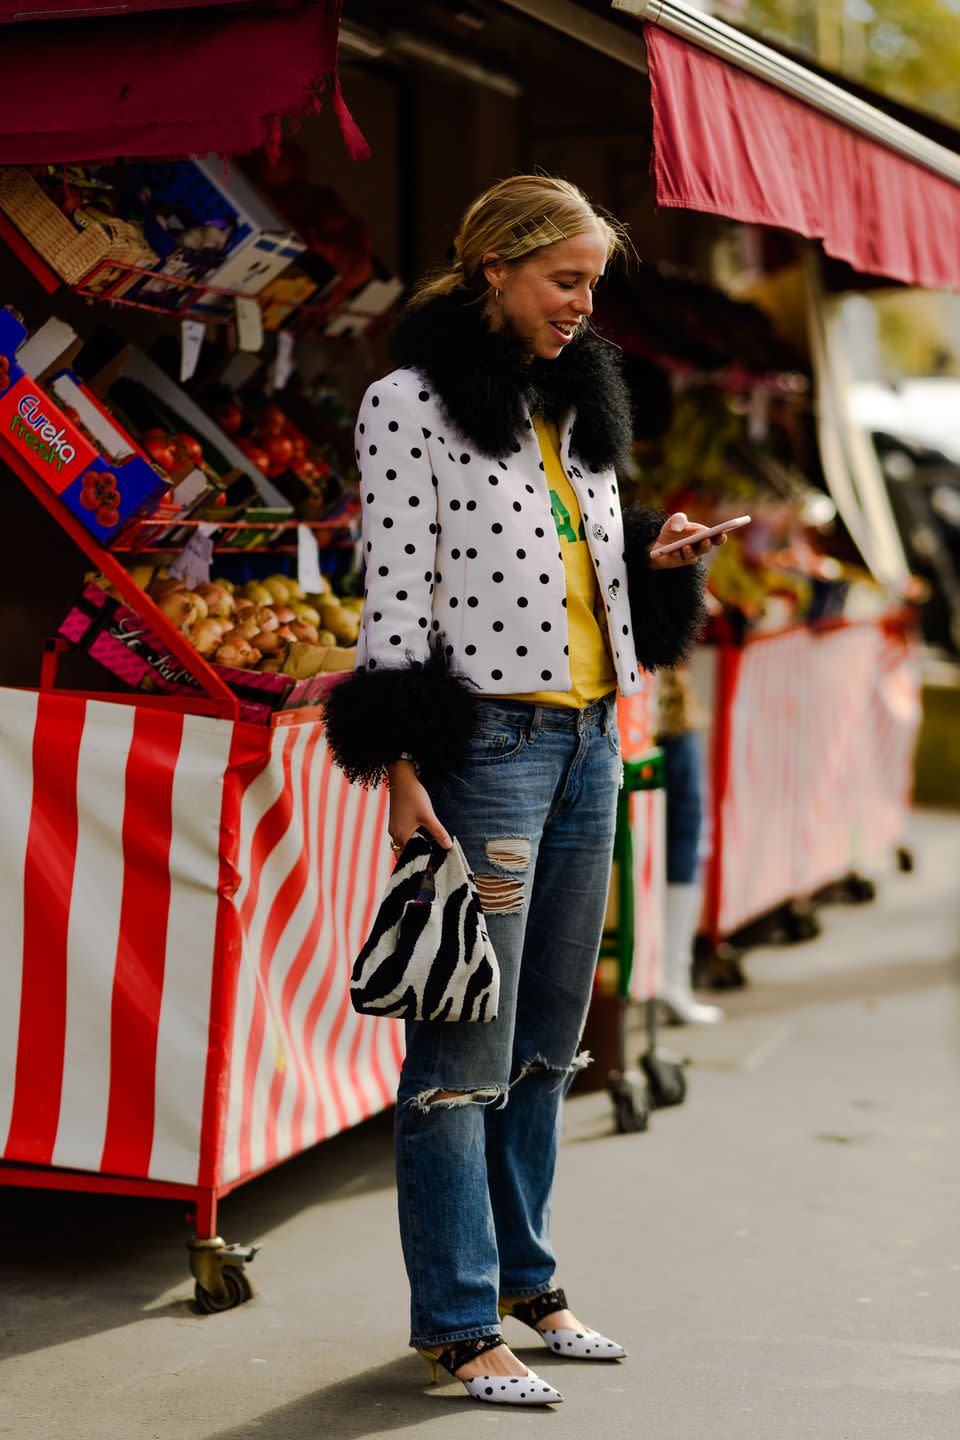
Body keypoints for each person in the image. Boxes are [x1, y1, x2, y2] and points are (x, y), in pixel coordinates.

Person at [325, 174, 724, 1408]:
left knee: (550, 1042)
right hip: (486, 755)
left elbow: (565, 557)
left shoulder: (577, 402)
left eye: (593, 284)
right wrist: (397, 768)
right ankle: (456, 1320)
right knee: (462, 1051)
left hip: (593, 740)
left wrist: (646, 559)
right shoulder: (408, 405)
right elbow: (395, 599)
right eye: (565, 281)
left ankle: (526, 1283)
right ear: (493, 267)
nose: (583, 306)